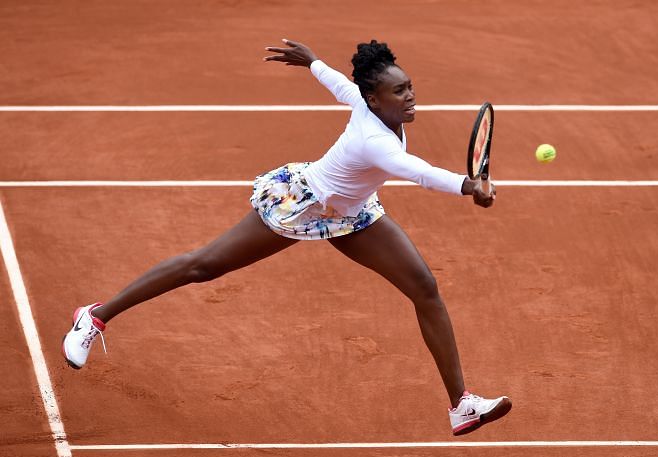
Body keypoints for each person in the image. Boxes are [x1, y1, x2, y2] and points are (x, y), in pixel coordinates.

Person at [62, 39, 511, 436]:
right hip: (303, 205)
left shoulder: (368, 103)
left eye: (410, 85)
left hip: (352, 216)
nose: (410, 96)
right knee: (204, 265)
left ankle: (461, 405)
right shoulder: (377, 141)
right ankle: (97, 315)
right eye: (399, 91)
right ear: (374, 99)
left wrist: (312, 61)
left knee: (425, 289)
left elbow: (340, 85)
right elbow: (421, 173)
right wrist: (469, 186)